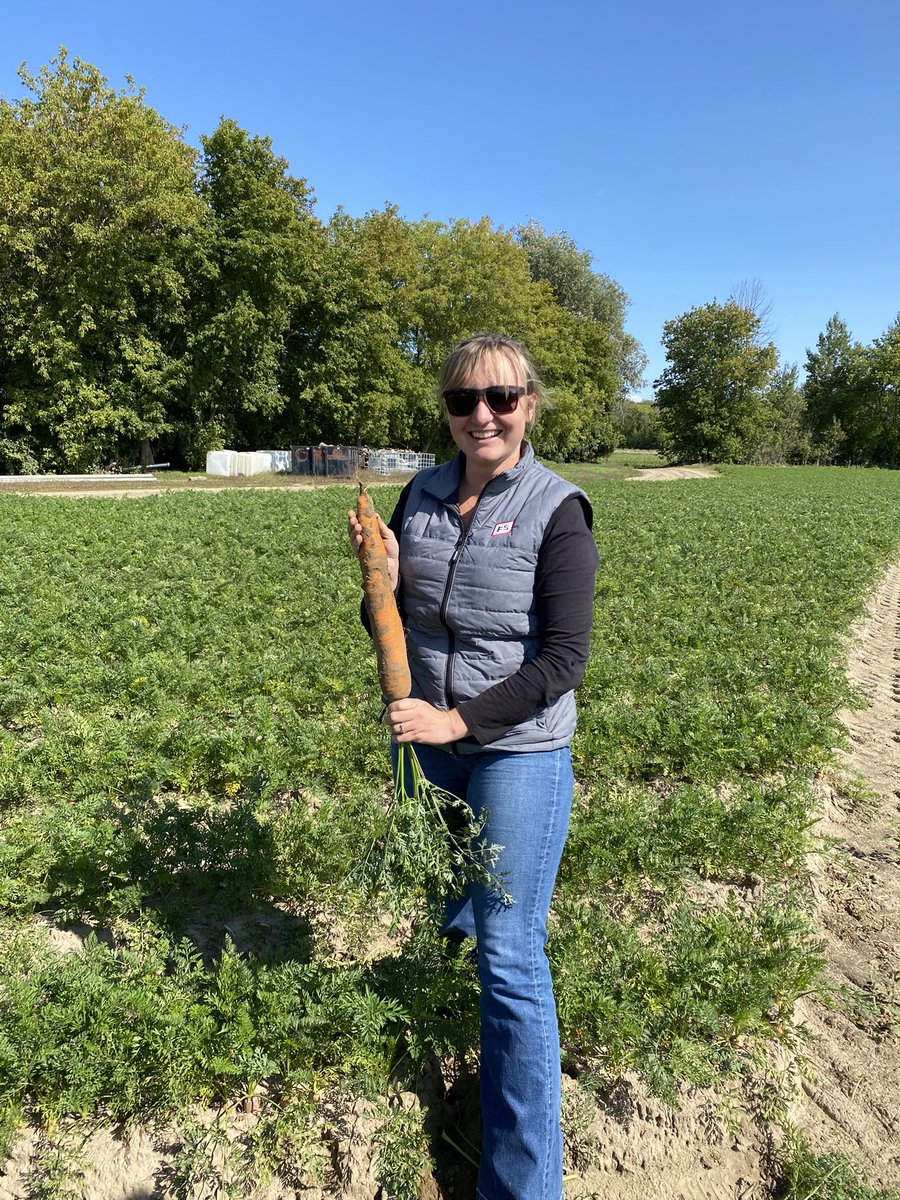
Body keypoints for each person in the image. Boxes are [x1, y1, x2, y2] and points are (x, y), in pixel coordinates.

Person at [347, 332, 598, 1200]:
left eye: (500, 397)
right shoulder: (419, 495)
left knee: (509, 955)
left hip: (516, 750)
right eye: (463, 400)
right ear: (448, 411)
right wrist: (378, 564)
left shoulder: (557, 509)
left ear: (529, 405)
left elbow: (564, 658)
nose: (481, 414)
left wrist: (459, 715)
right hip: (428, 746)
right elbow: (405, 615)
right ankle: (467, 1076)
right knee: (454, 914)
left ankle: (523, 1184)